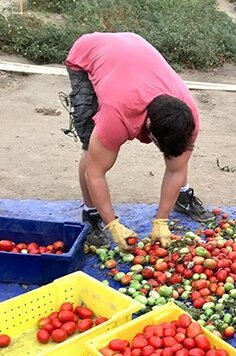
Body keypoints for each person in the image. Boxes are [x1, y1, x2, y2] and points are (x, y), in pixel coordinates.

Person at [64, 32, 213, 251]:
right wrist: (112, 225)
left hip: (134, 50)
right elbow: (95, 173)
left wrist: (161, 221)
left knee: (177, 152)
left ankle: (181, 198)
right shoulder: (116, 115)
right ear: (149, 126)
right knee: (90, 147)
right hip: (88, 54)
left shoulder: (188, 116)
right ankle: (92, 214)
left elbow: (176, 167)